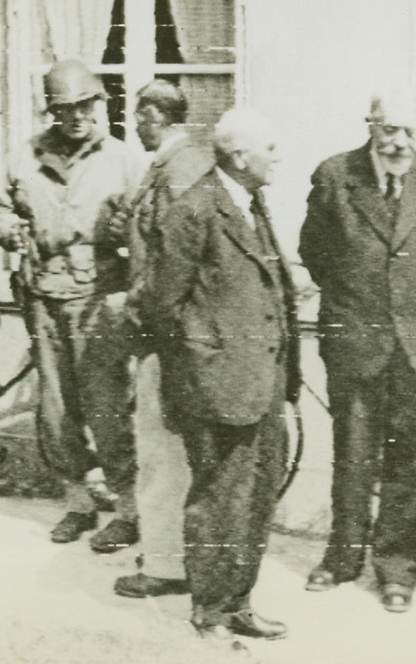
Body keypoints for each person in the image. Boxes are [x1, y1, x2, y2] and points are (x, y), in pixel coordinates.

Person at [298, 87, 416, 613]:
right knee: (353, 452)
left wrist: (415, 309)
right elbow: (314, 253)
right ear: (370, 125)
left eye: (410, 131)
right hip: (355, 338)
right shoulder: (335, 175)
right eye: (390, 129)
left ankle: (399, 568)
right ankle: (342, 557)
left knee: (412, 457)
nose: (400, 142)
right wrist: (355, 302)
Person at [148, 108, 300, 640]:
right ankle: (210, 612)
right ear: (239, 157)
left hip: (261, 381)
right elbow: (161, 306)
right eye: (271, 148)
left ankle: (237, 605)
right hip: (217, 385)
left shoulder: (251, 203)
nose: (278, 157)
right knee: (218, 502)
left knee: (254, 498)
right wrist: (199, 369)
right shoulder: (192, 212)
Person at [0, 60, 142, 551]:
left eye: (85, 106)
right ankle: (78, 503)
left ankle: (128, 508)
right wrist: (6, 227)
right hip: (42, 294)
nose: (76, 117)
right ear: (51, 112)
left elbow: (147, 225)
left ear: (100, 104)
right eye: (65, 109)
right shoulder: (24, 157)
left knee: (108, 406)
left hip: (99, 295)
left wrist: (125, 237)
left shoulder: (123, 160)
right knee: (55, 409)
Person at [113, 81, 213, 599]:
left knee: (161, 452)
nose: (134, 125)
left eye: (137, 115)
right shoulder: (176, 167)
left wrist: (135, 311)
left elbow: (175, 262)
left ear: (153, 116)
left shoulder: (178, 171)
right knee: (166, 452)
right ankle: (167, 550)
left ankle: (166, 565)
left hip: (165, 337)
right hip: (169, 333)